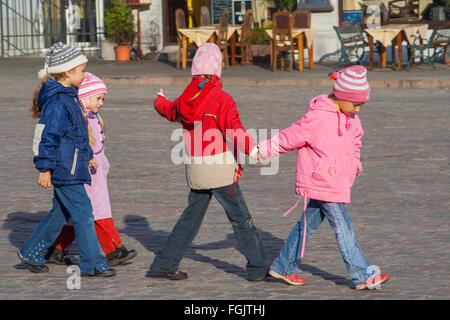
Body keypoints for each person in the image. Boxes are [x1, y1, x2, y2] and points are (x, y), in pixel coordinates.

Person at [258, 65, 389, 290]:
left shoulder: (351, 118)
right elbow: (290, 136)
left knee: (306, 225)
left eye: (361, 105)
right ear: (340, 97)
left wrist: (355, 161)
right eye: (355, 104)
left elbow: (355, 141)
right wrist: (263, 150)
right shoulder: (318, 117)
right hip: (323, 181)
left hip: (337, 181)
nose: (358, 109)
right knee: (343, 226)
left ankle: (283, 265)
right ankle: (361, 273)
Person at [150, 43, 270, 282]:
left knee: (190, 218)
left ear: (194, 71)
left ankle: (166, 262)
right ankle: (258, 266)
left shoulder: (185, 97)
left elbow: (170, 111)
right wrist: (253, 149)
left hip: (196, 168)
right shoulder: (221, 98)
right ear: (217, 71)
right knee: (241, 218)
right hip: (220, 168)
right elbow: (234, 129)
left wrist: (159, 100)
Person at [17, 42, 115, 277]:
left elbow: (77, 134)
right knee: (84, 213)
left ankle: (31, 251)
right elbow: (47, 136)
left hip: (72, 165)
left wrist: (89, 155)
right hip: (64, 168)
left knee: (60, 213)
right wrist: (44, 168)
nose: (83, 75)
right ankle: (91, 263)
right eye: (81, 71)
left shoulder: (69, 98)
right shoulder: (59, 102)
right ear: (68, 72)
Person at [47, 73, 137, 267]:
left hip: (97, 175)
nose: (102, 103)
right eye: (98, 98)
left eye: (103, 99)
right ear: (84, 98)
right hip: (89, 176)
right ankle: (114, 250)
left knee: (76, 215)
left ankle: (57, 248)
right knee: (99, 213)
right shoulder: (82, 121)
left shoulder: (93, 117)